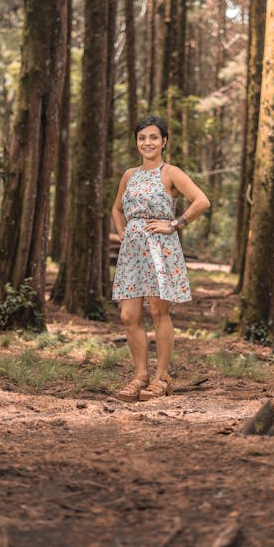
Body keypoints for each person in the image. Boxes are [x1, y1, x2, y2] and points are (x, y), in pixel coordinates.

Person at [111, 115, 210, 401]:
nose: (147, 142)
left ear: (164, 141)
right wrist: (122, 233)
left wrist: (175, 224)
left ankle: (162, 377)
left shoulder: (171, 172)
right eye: (142, 138)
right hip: (132, 252)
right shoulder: (130, 175)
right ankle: (140, 375)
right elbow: (116, 209)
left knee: (157, 312)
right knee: (129, 315)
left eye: (153, 137)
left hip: (160, 249)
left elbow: (202, 201)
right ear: (137, 142)